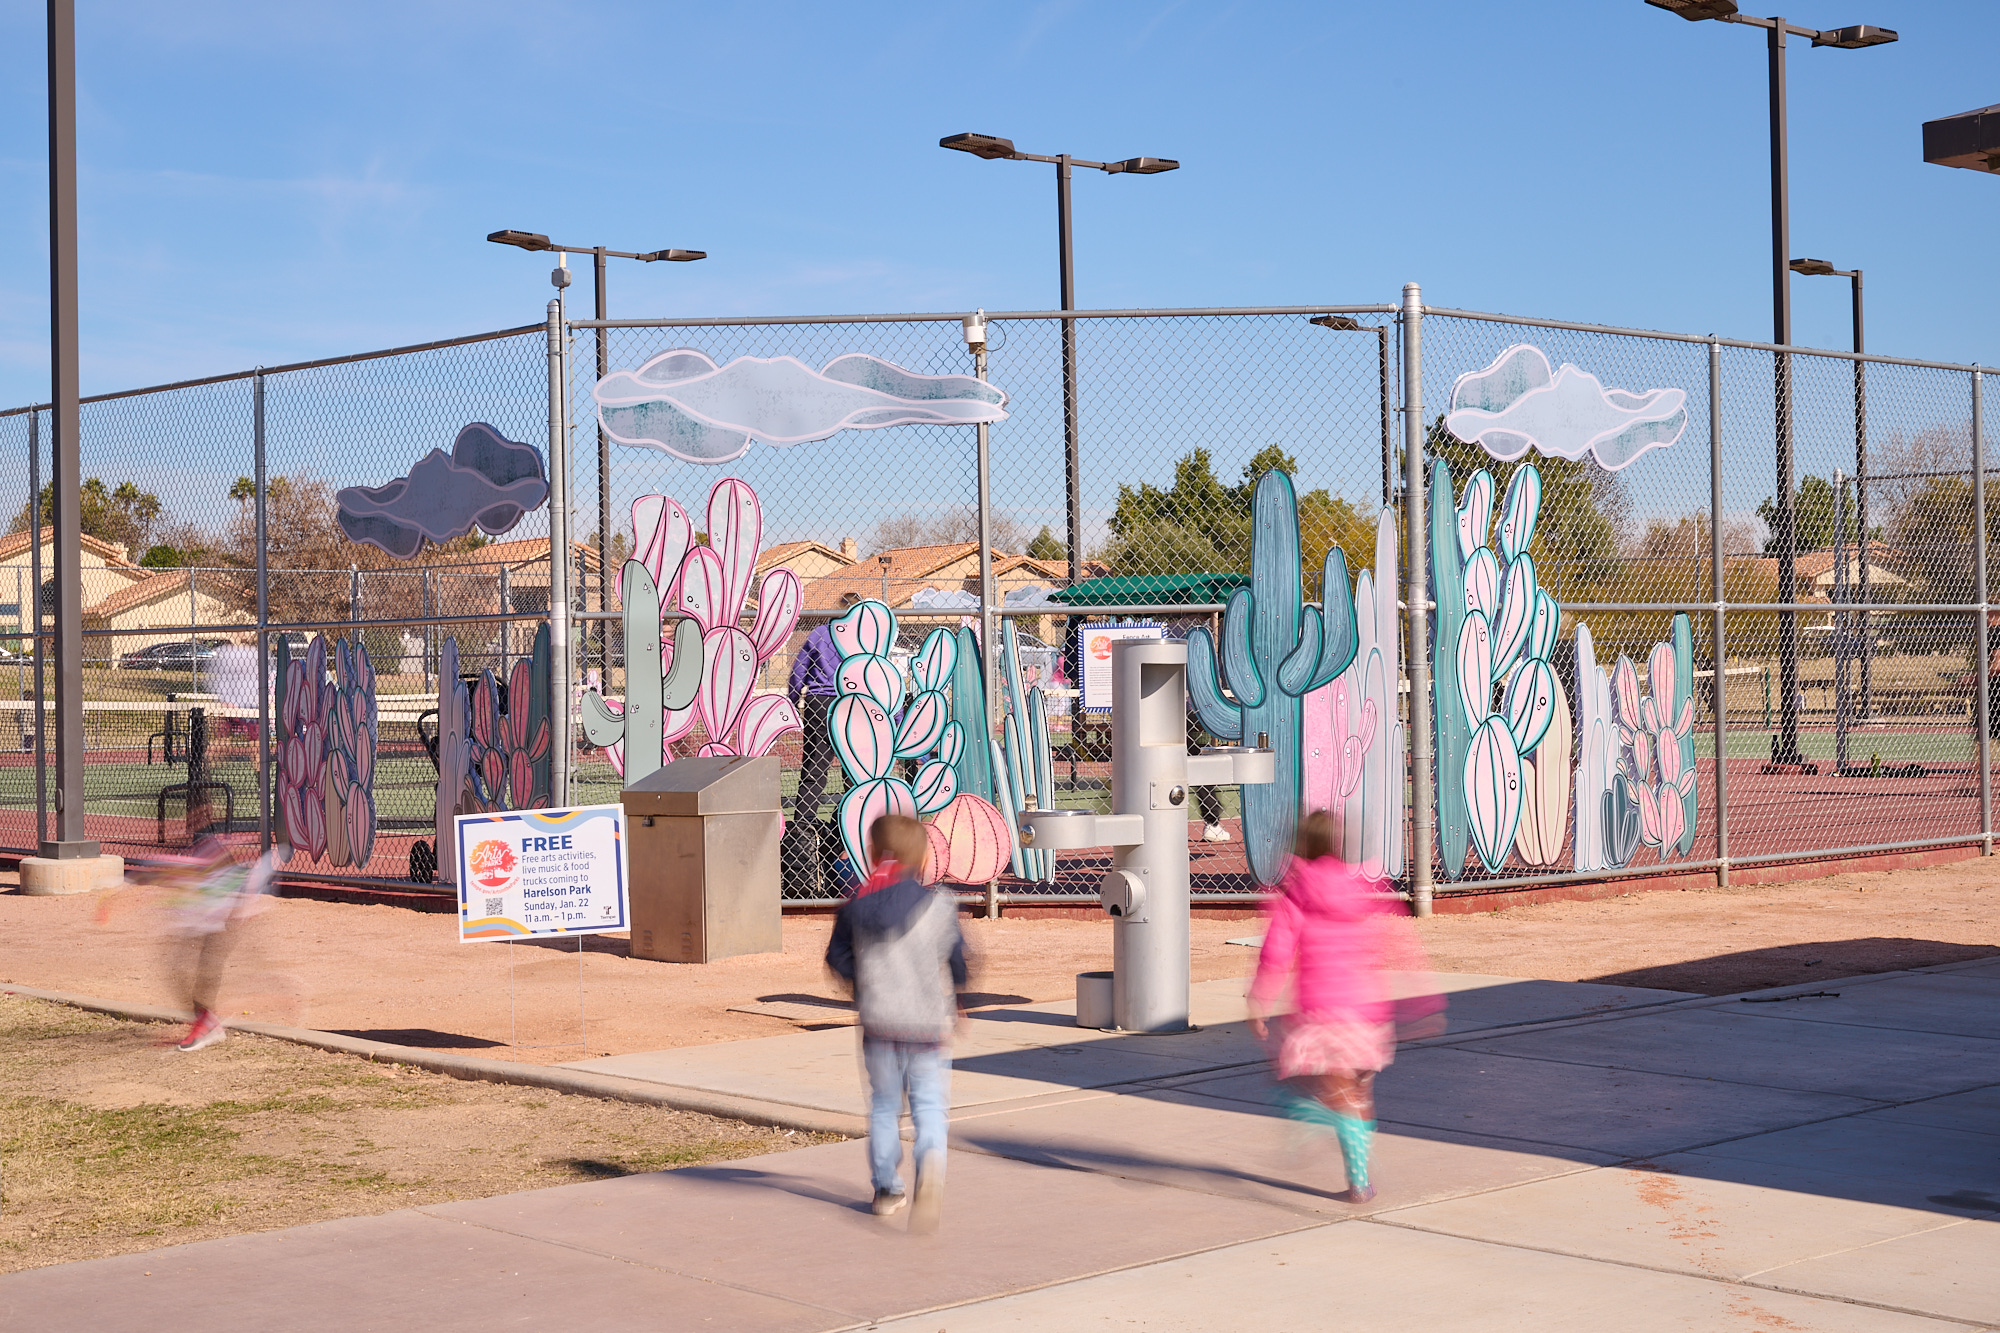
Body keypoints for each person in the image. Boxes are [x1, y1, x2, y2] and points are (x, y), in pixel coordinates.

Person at [1247, 809, 1442, 1203]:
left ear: (1300, 845)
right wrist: (1426, 1001)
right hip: (1367, 1017)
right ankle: (1359, 1181)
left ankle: (1316, 1116)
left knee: (1323, 1093)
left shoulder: (1293, 896)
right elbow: (1401, 945)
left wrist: (1259, 1001)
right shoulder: (1363, 891)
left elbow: (1276, 956)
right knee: (1359, 1097)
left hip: (1321, 1016)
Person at [824, 813, 967, 1232]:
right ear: (921, 857)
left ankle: (887, 1189)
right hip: (926, 1023)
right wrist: (961, 996)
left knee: (885, 1106)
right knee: (929, 1106)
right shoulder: (940, 904)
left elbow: (837, 958)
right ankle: (932, 1164)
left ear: (873, 853)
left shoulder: (854, 906)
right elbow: (957, 958)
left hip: (879, 1024)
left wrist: (861, 984)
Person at [150, 835, 284, 1051]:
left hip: (225, 920)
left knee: (207, 969)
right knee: (176, 968)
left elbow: (241, 887)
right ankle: (206, 1021)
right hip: (207, 918)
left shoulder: (219, 853)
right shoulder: (205, 848)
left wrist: (239, 912)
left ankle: (207, 1024)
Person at [789, 592, 862, 833]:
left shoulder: (820, 633)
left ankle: (802, 828)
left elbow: (799, 670)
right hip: (851, 702)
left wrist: (793, 697)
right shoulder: (861, 637)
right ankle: (852, 824)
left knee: (814, 768)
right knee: (854, 768)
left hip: (818, 701)